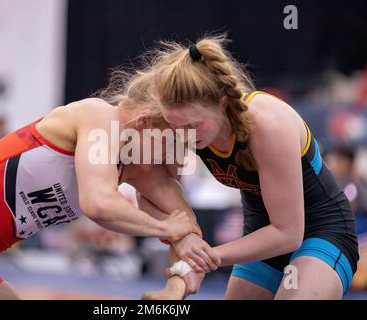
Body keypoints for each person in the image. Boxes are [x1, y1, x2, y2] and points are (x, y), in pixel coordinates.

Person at [0, 88, 213, 299]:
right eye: (170, 143)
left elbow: (187, 230)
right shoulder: (98, 116)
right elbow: (98, 204)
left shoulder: (142, 168)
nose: (175, 158)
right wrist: (162, 227)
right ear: (145, 123)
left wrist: (174, 288)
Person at [132, 35, 359, 300]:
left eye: (192, 127)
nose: (183, 138)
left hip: (321, 232)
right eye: (175, 127)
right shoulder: (179, 120)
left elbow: (289, 234)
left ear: (223, 104)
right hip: (262, 235)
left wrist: (209, 256)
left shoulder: (267, 125)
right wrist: (181, 239)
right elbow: (148, 193)